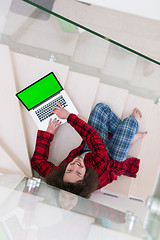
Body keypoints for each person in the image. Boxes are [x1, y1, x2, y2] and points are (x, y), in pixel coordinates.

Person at [31, 103, 147, 198]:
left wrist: (48, 134)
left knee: (100, 109)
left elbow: (37, 161)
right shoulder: (98, 168)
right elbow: (92, 136)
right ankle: (130, 134)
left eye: (69, 170)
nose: (76, 165)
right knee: (128, 126)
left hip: (90, 150)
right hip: (110, 160)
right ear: (85, 176)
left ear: (62, 174)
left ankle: (128, 138)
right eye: (78, 173)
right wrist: (69, 117)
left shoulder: (58, 177)